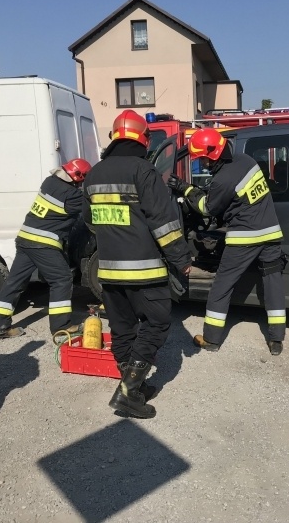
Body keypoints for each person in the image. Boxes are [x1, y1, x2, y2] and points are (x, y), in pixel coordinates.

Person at [84, 110, 192, 419]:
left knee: (122, 328)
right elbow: (163, 222)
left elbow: (90, 221)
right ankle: (129, 393)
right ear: (143, 139)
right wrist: (181, 259)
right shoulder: (144, 171)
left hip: (108, 270)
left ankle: (133, 385)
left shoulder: (94, 174)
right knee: (157, 322)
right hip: (145, 270)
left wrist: (114, 236)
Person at [168, 127, 287, 356]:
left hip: (245, 238)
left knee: (222, 286)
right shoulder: (247, 161)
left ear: (212, 155)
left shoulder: (222, 179)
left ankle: (211, 339)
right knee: (273, 284)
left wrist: (185, 188)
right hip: (271, 234)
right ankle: (276, 339)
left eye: (202, 159)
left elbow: (207, 208)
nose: (202, 164)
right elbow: (239, 196)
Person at [0, 158, 91, 341]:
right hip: (43, 243)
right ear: (78, 177)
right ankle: (61, 327)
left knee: (14, 282)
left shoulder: (49, 182)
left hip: (25, 239)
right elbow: (89, 206)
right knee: (62, 279)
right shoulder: (72, 195)